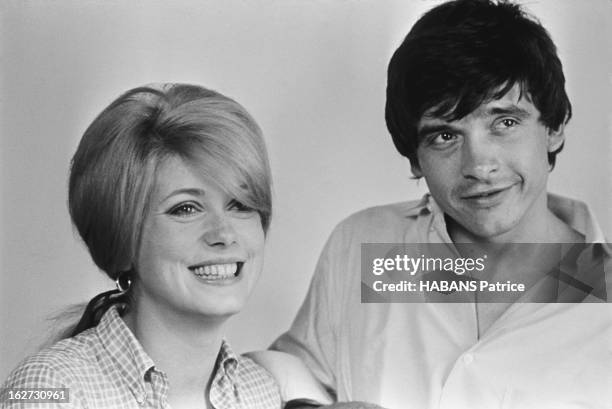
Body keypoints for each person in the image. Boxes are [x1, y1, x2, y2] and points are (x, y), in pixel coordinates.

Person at [266, 1, 612, 408]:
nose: (479, 166)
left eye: (505, 122)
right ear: (415, 157)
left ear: (553, 128)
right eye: (445, 137)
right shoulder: (364, 246)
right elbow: (285, 380)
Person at [1, 83, 283, 408]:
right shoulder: (48, 388)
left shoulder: (260, 392)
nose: (224, 234)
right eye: (186, 208)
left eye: (240, 204)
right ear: (123, 236)